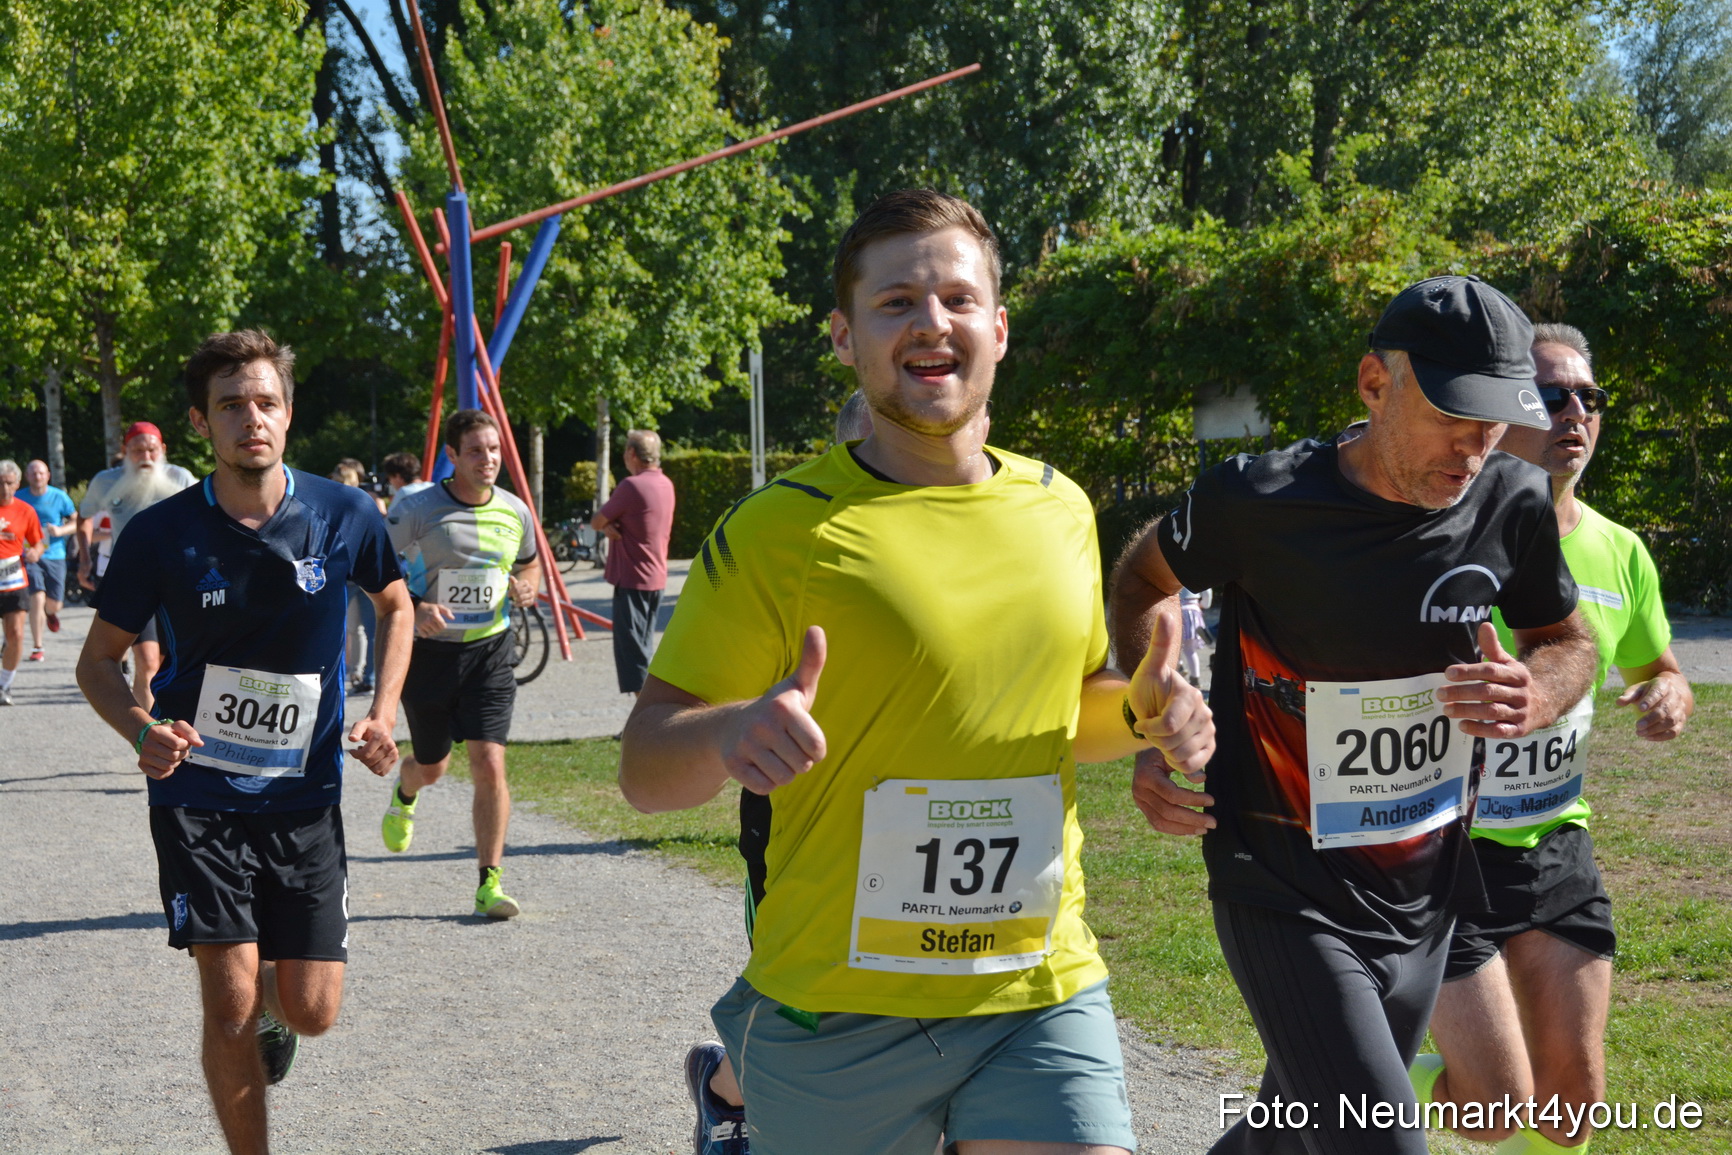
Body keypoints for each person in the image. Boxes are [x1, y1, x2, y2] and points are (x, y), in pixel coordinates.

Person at [620, 189, 1212, 1155]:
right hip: (837, 1007)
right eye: (895, 302)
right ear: (845, 338)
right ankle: (731, 1091)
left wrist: (1148, 713)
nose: (931, 322)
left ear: (999, 327)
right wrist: (731, 736)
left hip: (1037, 985)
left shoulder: (1060, 508)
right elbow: (644, 770)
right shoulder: (780, 530)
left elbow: (1067, 715)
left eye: (956, 299)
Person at [1112, 275, 1600, 1155]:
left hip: (1427, 893)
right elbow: (1143, 579)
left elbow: (1567, 640)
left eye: (1494, 418)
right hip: (1286, 889)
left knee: (1287, 1138)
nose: (1475, 443)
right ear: (1375, 383)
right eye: (1453, 414)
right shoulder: (1259, 501)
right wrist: (1163, 697)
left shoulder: (1511, 501)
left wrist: (1538, 691)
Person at [73, 329, 411, 1155]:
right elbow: (96, 664)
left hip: (304, 796)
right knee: (225, 1006)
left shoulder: (345, 513)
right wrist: (143, 730)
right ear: (202, 423)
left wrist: (383, 710)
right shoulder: (159, 535)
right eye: (230, 405)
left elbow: (396, 605)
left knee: (312, 1010)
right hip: (199, 794)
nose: (250, 418)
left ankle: (276, 1006)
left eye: (265, 402)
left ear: (288, 414)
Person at [1412, 323, 1695, 1154]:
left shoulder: (1621, 550)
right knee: (1491, 1110)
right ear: (1499, 410)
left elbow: (1660, 664)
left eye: (1590, 397)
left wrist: (1669, 693)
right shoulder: (1437, 532)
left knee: (1573, 1102)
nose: (1576, 411)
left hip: (1554, 843)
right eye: (1552, 394)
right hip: (1443, 848)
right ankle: (1381, 1082)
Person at [382, 408, 542, 918]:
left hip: (490, 653)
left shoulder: (515, 511)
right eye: (476, 450)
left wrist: (528, 587)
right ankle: (407, 789)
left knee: (490, 763)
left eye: (493, 450)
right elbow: (374, 568)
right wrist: (416, 604)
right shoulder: (419, 509)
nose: (488, 459)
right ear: (451, 456)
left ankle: (488, 882)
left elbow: (529, 562)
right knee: (432, 766)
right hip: (429, 657)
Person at [79, 421, 197, 707]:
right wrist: (84, 559)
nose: (145, 457)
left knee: (170, 662)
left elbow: (210, 517)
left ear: (163, 450)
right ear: (125, 451)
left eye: (151, 450)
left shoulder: (180, 478)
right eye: (138, 450)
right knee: (147, 662)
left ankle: (170, 719)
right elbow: (83, 517)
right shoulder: (106, 481)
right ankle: (148, 734)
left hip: (178, 583)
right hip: (131, 581)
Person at [591, 429, 676, 697]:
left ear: (631, 454)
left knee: (633, 654)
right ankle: (646, 718)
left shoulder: (632, 485)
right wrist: (611, 525)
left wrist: (607, 526)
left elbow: (597, 520)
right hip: (656, 578)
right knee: (644, 647)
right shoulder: (666, 484)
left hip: (632, 578)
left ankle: (646, 720)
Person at [331, 458, 386, 694]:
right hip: (358, 574)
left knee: (346, 629)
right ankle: (367, 677)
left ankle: (357, 676)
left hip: (350, 574)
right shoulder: (365, 502)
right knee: (363, 630)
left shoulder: (338, 503)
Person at [19, 459, 77, 660]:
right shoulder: (19, 497)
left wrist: (61, 530)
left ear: (48, 475)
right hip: (29, 555)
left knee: (54, 604)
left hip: (55, 554)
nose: (37, 477)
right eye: (33, 473)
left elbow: (76, 520)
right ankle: (38, 647)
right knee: (37, 597)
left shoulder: (59, 497)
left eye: (41, 473)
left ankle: (50, 613)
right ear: (27, 476)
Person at [0, 460, 46, 706]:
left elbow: (38, 542)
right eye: (0, 483)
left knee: (16, 634)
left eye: (9, 483)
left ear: (17, 484)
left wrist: (35, 552)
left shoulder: (26, 511)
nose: (4, 488)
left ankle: (3, 685)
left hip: (14, 581)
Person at [1178, 586, 1212, 687]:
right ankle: (1195, 680)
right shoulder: (1194, 572)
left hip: (1177, 608)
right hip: (1193, 609)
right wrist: (1203, 604)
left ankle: (1179, 666)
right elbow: (1207, 592)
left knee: (1174, 643)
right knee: (1190, 650)